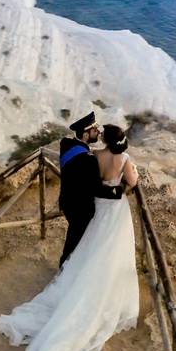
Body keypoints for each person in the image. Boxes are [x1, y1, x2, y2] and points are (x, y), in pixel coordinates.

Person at [0, 124, 140, 351]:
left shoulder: (95, 156)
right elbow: (132, 182)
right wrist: (130, 176)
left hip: (99, 208)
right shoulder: (125, 159)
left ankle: (83, 281)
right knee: (112, 250)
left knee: (92, 247)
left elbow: (93, 179)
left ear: (104, 140)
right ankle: (106, 290)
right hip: (115, 209)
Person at [57, 112, 101, 269]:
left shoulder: (65, 144)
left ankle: (73, 267)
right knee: (74, 242)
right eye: (95, 130)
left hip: (66, 201)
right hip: (81, 208)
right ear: (85, 134)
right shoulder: (89, 160)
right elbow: (97, 188)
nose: (99, 132)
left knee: (75, 237)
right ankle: (64, 270)